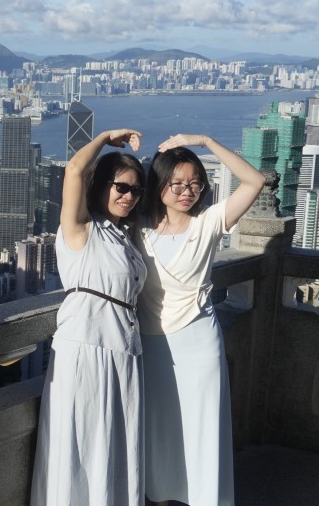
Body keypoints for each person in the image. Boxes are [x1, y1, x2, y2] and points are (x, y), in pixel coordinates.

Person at [137, 134, 264, 506]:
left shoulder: (208, 222)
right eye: (176, 183)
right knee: (159, 426)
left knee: (203, 426)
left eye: (195, 183)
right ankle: (159, 497)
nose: (186, 191)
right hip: (151, 342)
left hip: (199, 343)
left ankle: (205, 498)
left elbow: (254, 181)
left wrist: (205, 141)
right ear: (159, 183)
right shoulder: (137, 227)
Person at [30, 129, 148, 506]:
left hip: (123, 352)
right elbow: (74, 171)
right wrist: (105, 137)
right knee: (78, 445)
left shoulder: (124, 238)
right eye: (121, 187)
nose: (128, 196)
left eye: (135, 190)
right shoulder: (81, 230)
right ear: (102, 186)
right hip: (85, 350)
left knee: (114, 448)